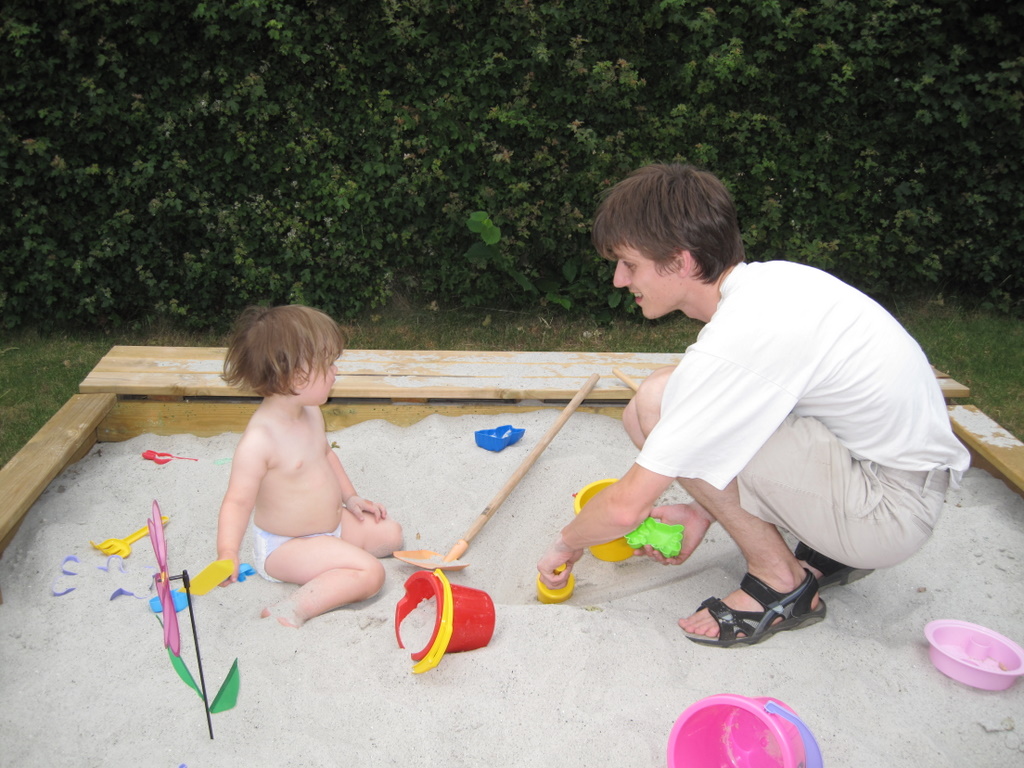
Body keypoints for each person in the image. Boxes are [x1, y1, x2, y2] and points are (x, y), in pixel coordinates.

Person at [537, 163, 970, 648]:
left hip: (887, 513)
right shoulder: (771, 284)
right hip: (883, 475)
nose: (619, 279)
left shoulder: (742, 338)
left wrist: (566, 544)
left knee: (660, 403)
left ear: (680, 262)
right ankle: (827, 548)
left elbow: (624, 510)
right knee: (657, 400)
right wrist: (702, 511)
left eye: (629, 264)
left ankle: (780, 582)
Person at [216, 305, 403, 627]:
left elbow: (326, 455)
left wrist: (351, 497)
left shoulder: (310, 412)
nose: (335, 371)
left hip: (332, 526)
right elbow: (237, 502)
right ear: (295, 376)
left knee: (392, 535)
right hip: (287, 546)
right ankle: (294, 608)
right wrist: (228, 553)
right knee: (371, 573)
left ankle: (334, 558)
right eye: (327, 365)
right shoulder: (260, 441)